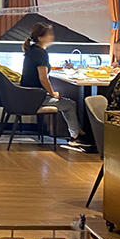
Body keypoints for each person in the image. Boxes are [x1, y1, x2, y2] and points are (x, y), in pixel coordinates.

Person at [20, 22, 86, 150]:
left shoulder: (33, 50)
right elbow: (43, 78)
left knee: (67, 102)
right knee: (70, 105)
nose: (52, 36)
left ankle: (78, 131)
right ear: (40, 38)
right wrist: (52, 93)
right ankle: (76, 137)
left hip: (28, 95)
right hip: (35, 98)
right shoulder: (40, 53)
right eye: (49, 34)